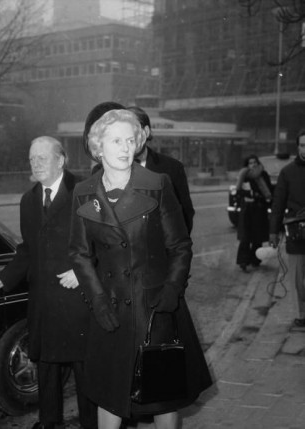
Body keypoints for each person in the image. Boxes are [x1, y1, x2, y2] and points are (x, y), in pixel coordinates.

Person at [69, 109, 212, 429]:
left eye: (130, 140)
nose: (124, 147)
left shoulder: (157, 184)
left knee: (163, 396)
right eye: (116, 140)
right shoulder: (84, 192)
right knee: (110, 395)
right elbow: (79, 254)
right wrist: (99, 301)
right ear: (98, 146)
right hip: (111, 312)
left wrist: (171, 292)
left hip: (155, 309)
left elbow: (180, 246)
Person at [0, 136, 97, 429]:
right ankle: (49, 422)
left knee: (84, 369)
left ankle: (92, 424)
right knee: (45, 366)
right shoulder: (29, 199)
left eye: (42, 158)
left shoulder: (85, 192)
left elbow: (105, 243)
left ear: (60, 160)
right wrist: (0, 280)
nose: (35, 164)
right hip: (44, 300)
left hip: (77, 300)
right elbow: (27, 251)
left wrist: (82, 271)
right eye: (32, 159)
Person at [86, 103, 194, 234]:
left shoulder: (172, 168)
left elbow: (185, 215)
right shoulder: (100, 170)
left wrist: (169, 252)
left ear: (146, 132)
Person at [270, 132, 305, 327]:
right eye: (303, 145)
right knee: (297, 278)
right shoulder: (287, 172)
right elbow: (278, 204)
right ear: (298, 147)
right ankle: (301, 316)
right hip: (297, 232)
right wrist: (273, 232)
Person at [235, 155, 273, 272]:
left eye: (255, 162)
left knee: (258, 236)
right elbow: (239, 191)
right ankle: (243, 261)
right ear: (247, 165)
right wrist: (248, 194)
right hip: (247, 210)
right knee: (245, 237)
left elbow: (269, 190)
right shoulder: (244, 175)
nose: (253, 165)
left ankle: (255, 259)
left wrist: (259, 196)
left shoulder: (264, 174)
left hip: (259, 209)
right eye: (250, 163)